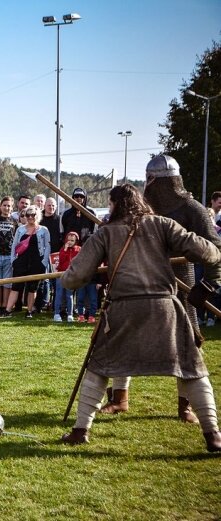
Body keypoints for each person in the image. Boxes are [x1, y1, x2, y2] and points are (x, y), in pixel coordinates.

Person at [59, 184, 221, 453]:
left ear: (114, 205)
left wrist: (66, 278)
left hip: (124, 310)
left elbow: (74, 277)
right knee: (192, 369)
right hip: (165, 309)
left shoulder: (107, 233)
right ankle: (213, 435)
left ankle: (80, 430)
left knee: (98, 367)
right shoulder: (163, 225)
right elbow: (210, 251)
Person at [101, 154, 221, 422]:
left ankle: (186, 406)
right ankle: (120, 398)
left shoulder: (193, 210)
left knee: (189, 343)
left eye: (151, 179)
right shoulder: (141, 207)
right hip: (143, 281)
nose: (148, 184)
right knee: (123, 337)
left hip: (180, 284)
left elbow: (216, 248)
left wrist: (209, 284)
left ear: (159, 180)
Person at [1, 205, 50, 318]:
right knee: (16, 287)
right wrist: (13, 260)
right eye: (27, 215)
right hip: (21, 261)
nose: (30, 217)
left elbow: (47, 247)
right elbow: (14, 246)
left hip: (37, 262)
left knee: (32, 288)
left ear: (37, 216)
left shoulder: (43, 230)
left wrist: (44, 262)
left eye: (33, 215)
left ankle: (29, 311)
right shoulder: (20, 229)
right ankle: (7, 310)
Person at [53, 231, 81, 322]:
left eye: (72, 240)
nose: (70, 242)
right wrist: (65, 250)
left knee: (70, 295)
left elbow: (78, 262)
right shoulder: (62, 249)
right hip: (60, 274)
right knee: (59, 294)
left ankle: (70, 314)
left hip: (71, 275)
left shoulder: (79, 249)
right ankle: (57, 313)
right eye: (68, 240)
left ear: (76, 241)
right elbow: (60, 261)